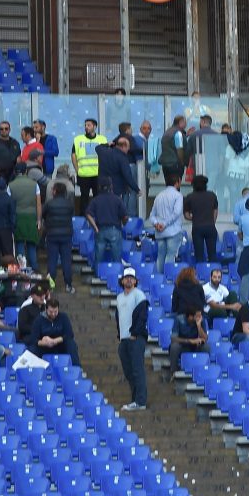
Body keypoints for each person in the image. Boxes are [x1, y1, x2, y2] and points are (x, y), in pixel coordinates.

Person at [115, 266, 149, 412]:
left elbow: (142, 315)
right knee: (129, 371)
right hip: (124, 339)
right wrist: (120, 335)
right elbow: (118, 317)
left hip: (135, 338)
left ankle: (140, 401)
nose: (129, 280)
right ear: (122, 281)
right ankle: (135, 399)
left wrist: (135, 332)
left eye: (131, 278)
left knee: (137, 369)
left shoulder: (139, 295)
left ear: (135, 281)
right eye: (126, 278)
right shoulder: (119, 297)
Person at [85, 178, 128, 272]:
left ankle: (98, 274)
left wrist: (95, 227)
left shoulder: (96, 200)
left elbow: (88, 214)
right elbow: (125, 216)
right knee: (116, 258)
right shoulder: (117, 199)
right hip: (114, 230)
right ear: (111, 186)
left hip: (100, 230)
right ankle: (116, 275)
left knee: (98, 259)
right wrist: (123, 224)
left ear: (99, 187)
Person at [42, 179, 76, 294]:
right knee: (66, 261)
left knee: (52, 260)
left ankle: (51, 286)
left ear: (55, 191)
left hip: (52, 234)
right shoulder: (69, 204)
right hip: (66, 235)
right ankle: (68, 285)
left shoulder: (49, 204)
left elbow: (43, 215)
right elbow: (71, 215)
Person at [97, 136, 141, 219]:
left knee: (103, 209)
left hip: (102, 187)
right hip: (116, 189)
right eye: (128, 147)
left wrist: (108, 144)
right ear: (123, 146)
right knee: (114, 210)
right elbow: (128, 176)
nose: (128, 150)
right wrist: (137, 189)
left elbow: (97, 147)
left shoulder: (103, 152)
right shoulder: (122, 158)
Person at [150, 173, 185, 273]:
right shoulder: (178, 195)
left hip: (160, 232)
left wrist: (156, 223)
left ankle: (160, 278)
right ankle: (168, 278)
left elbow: (152, 215)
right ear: (177, 182)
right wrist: (164, 224)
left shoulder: (159, 196)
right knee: (170, 256)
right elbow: (176, 213)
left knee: (160, 257)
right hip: (173, 231)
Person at [30, 296, 81, 366]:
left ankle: (76, 368)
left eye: (55, 311)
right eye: (50, 312)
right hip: (44, 346)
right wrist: (43, 342)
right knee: (32, 348)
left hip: (60, 345)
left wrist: (55, 341)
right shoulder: (39, 319)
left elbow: (69, 334)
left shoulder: (63, 317)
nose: (53, 314)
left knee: (71, 344)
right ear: (46, 309)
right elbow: (33, 338)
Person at [71, 118, 107, 211]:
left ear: (94, 127)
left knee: (98, 197)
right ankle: (84, 216)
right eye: (85, 125)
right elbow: (73, 155)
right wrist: (77, 169)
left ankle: (97, 215)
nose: (86, 127)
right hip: (83, 174)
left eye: (89, 125)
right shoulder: (78, 139)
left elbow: (106, 155)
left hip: (97, 174)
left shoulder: (102, 139)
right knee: (84, 198)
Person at [10, 164, 42, 267]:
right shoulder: (34, 184)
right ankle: (34, 267)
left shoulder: (10, 185)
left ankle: (21, 268)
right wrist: (39, 220)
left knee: (19, 242)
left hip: (18, 217)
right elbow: (38, 204)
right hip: (31, 217)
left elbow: (9, 204)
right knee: (31, 243)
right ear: (26, 172)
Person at [184, 174, 219, 264]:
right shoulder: (212, 195)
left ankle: (200, 271)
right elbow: (215, 211)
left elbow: (186, 215)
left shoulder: (190, 197)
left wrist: (194, 218)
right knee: (212, 254)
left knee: (199, 255)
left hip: (197, 228)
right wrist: (212, 221)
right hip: (210, 227)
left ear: (194, 185)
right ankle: (213, 271)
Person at [169, 305, 208, 372]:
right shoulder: (179, 319)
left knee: (206, 346)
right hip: (183, 346)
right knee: (174, 346)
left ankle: (204, 369)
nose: (200, 317)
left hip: (195, 346)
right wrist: (189, 341)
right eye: (197, 316)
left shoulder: (201, 320)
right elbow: (173, 338)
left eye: (200, 316)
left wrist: (199, 326)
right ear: (190, 317)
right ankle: (174, 370)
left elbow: (205, 338)